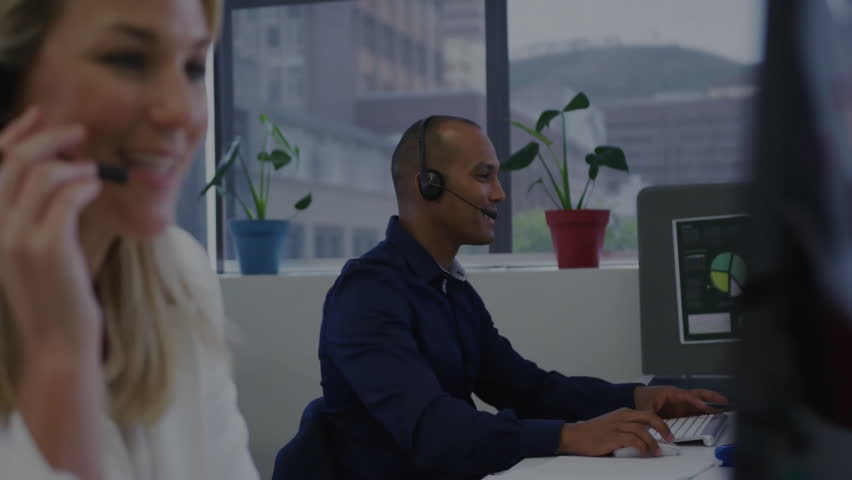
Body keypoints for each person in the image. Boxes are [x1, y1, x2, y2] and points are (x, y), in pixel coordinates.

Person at [319, 115, 729, 479]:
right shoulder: (368, 294)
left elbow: (527, 389)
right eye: (483, 176)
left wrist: (640, 398)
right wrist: (570, 436)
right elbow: (434, 432)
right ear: (429, 185)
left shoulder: (449, 287)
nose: (499, 193)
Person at [0, 0, 259, 479]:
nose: (180, 112)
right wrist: (61, 355)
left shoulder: (180, 275)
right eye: (129, 60)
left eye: (193, 67)